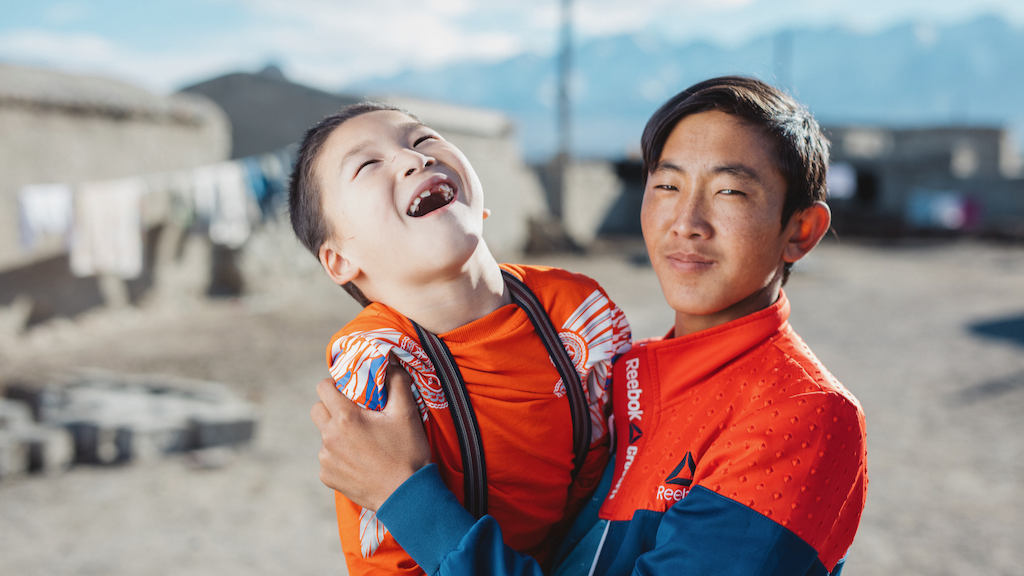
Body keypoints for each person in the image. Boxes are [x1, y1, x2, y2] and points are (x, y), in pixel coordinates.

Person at [310, 76, 869, 576]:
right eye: (668, 186)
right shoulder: (615, 377)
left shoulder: (802, 415)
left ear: (801, 230)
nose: (688, 223)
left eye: (730, 191)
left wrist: (406, 497)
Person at [291, 102, 633, 574]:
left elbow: (622, 479)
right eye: (368, 164)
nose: (414, 159)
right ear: (339, 260)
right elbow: (393, 561)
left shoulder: (580, 311)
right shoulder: (378, 370)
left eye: (422, 139)